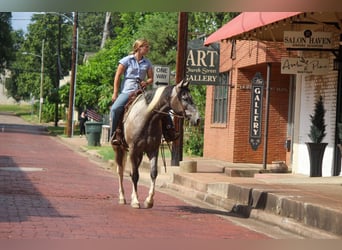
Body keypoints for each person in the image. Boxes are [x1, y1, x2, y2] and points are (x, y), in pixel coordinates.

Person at [110, 38, 179, 146]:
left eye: (148, 47)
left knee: (160, 105)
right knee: (115, 109)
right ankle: (114, 134)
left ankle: (170, 131)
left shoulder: (147, 62)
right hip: (127, 91)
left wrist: (146, 82)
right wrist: (115, 92)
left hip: (141, 92)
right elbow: (117, 76)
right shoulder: (126, 60)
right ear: (139, 48)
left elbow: (151, 78)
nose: (148, 49)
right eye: (146, 46)